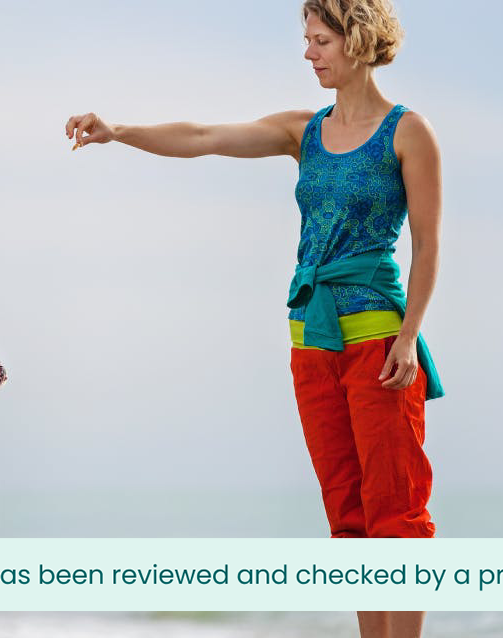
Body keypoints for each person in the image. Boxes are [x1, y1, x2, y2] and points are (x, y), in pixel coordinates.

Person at [64, 2, 443, 635]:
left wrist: (408, 339)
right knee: (347, 519)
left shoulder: (407, 133)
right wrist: (118, 130)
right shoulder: (304, 132)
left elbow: (427, 246)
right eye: (307, 40)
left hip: (379, 343)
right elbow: (204, 138)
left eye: (320, 40)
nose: (308, 52)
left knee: (397, 515)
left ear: (359, 40)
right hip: (310, 343)